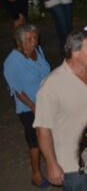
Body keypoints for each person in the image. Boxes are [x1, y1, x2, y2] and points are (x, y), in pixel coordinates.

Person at [34, 29, 87, 190]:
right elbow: (43, 129)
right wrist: (51, 164)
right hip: (74, 165)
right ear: (75, 52)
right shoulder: (51, 85)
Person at [4, 23, 51, 187]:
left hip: (46, 102)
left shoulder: (38, 51)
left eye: (35, 38)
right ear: (19, 42)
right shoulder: (12, 62)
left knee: (49, 136)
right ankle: (36, 175)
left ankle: (53, 167)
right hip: (28, 108)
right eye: (30, 39)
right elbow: (17, 90)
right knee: (35, 141)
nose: (34, 42)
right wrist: (33, 106)